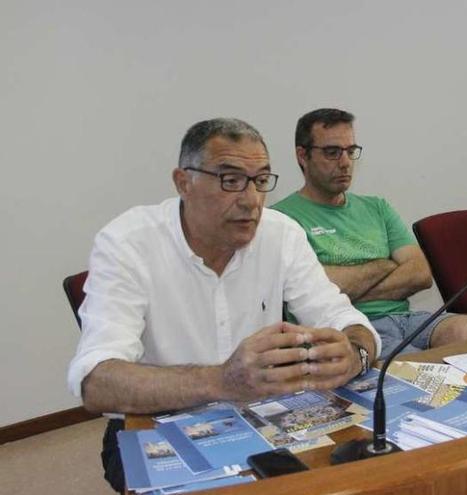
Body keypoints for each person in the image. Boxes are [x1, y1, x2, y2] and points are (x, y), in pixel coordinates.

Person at [67, 118, 380, 492]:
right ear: (184, 183)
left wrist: (355, 351)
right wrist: (220, 380)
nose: (250, 200)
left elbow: (342, 317)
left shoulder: (281, 234)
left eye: (261, 180)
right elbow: (95, 381)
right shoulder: (127, 243)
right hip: (157, 423)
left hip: (265, 418)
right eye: (230, 180)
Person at [273, 108, 467, 359]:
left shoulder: (377, 207)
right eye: (332, 152)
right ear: (302, 155)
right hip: (351, 329)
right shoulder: (282, 219)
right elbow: (318, 292)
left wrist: (350, 286)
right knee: (415, 366)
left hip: (405, 319)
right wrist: (386, 265)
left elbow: (420, 274)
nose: (345, 162)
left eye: (351, 151)